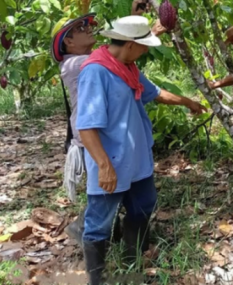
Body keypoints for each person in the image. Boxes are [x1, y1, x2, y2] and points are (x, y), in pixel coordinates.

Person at [76, 16, 206, 284]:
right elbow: (86, 127)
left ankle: (131, 261)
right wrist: (104, 166)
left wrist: (188, 102)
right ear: (130, 44)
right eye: (144, 45)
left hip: (135, 160)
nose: (146, 50)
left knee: (144, 205)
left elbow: (155, 93)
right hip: (112, 162)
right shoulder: (96, 72)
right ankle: (96, 279)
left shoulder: (128, 68)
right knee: (99, 223)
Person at [53, 0, 165, 245]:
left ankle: (118, 236)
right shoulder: (76, 64)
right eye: (80, 29)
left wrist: (134, 25)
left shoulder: (96, 58)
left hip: (107, 135)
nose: (88, 29)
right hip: (94, 138)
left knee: (117, 192)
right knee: (106, 194)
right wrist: (146, 35)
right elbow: (116, 55)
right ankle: (87, 232)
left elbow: (118, 50)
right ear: (68, 42)